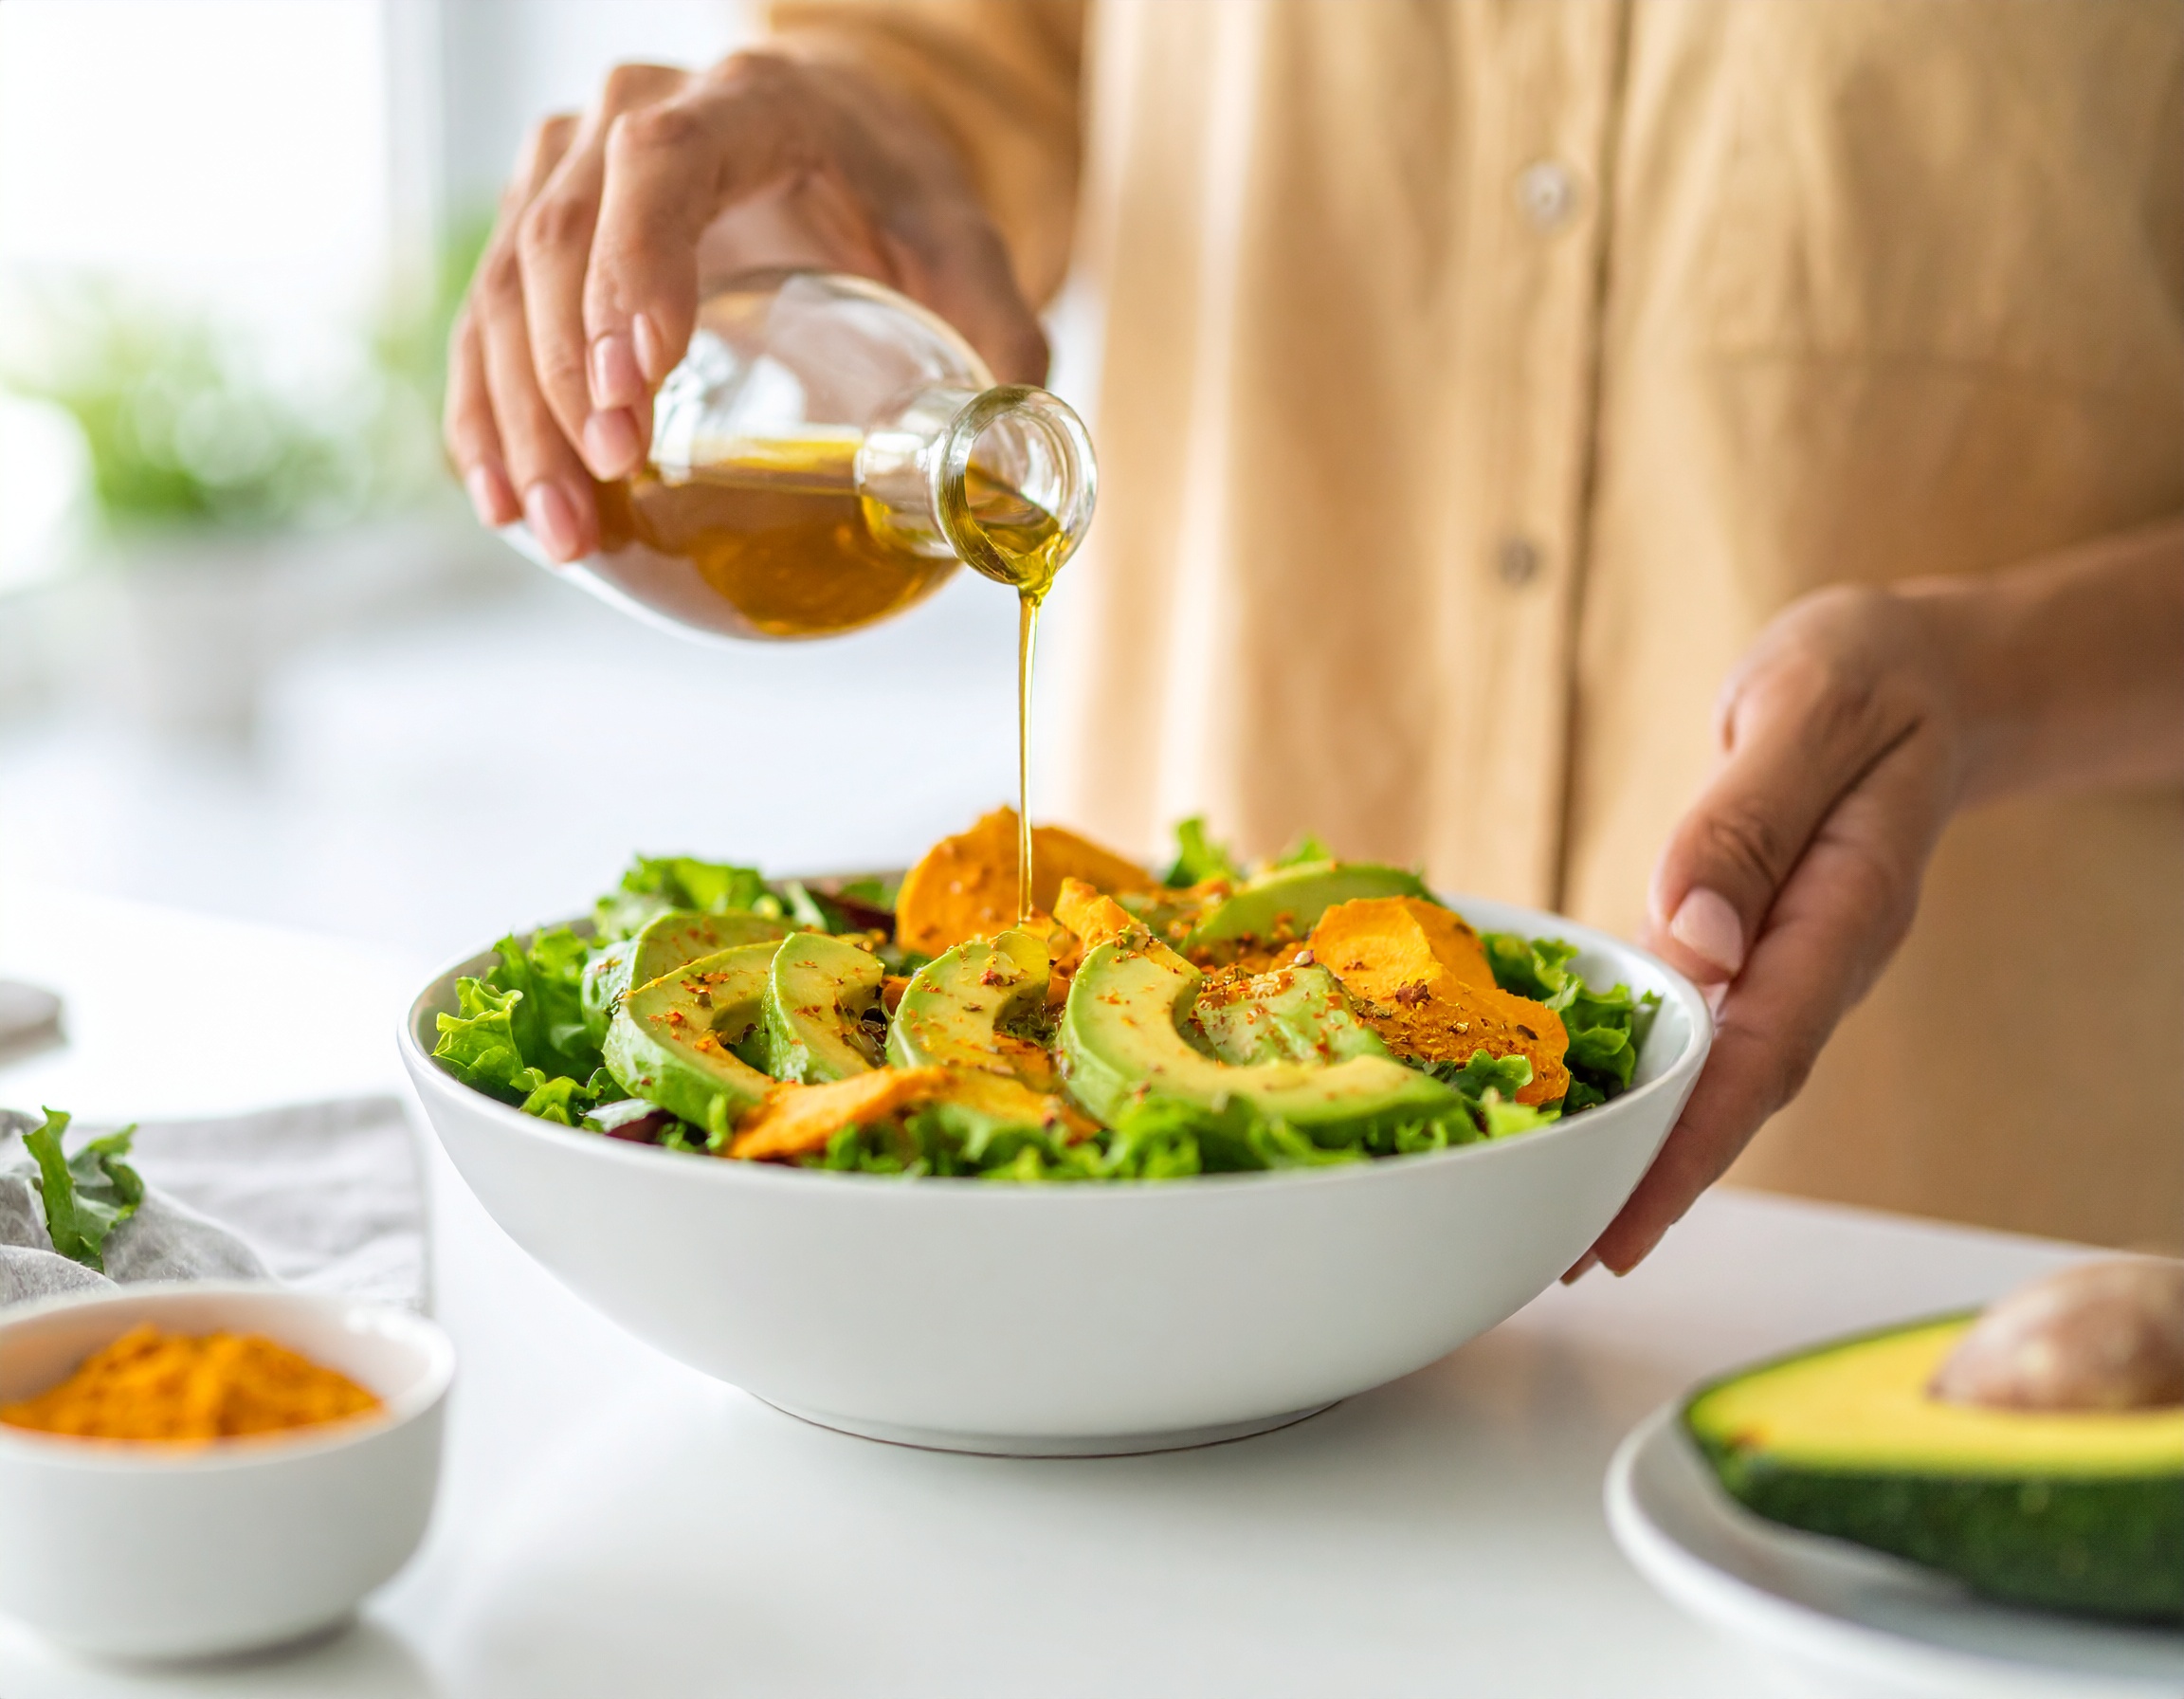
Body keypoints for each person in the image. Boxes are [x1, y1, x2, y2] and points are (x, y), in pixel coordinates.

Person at [443, 2, 2184, 1267]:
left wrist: (1997, 682)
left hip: (1943, 1226)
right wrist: (864, 123)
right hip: (1161, 1272)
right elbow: (968, 54)